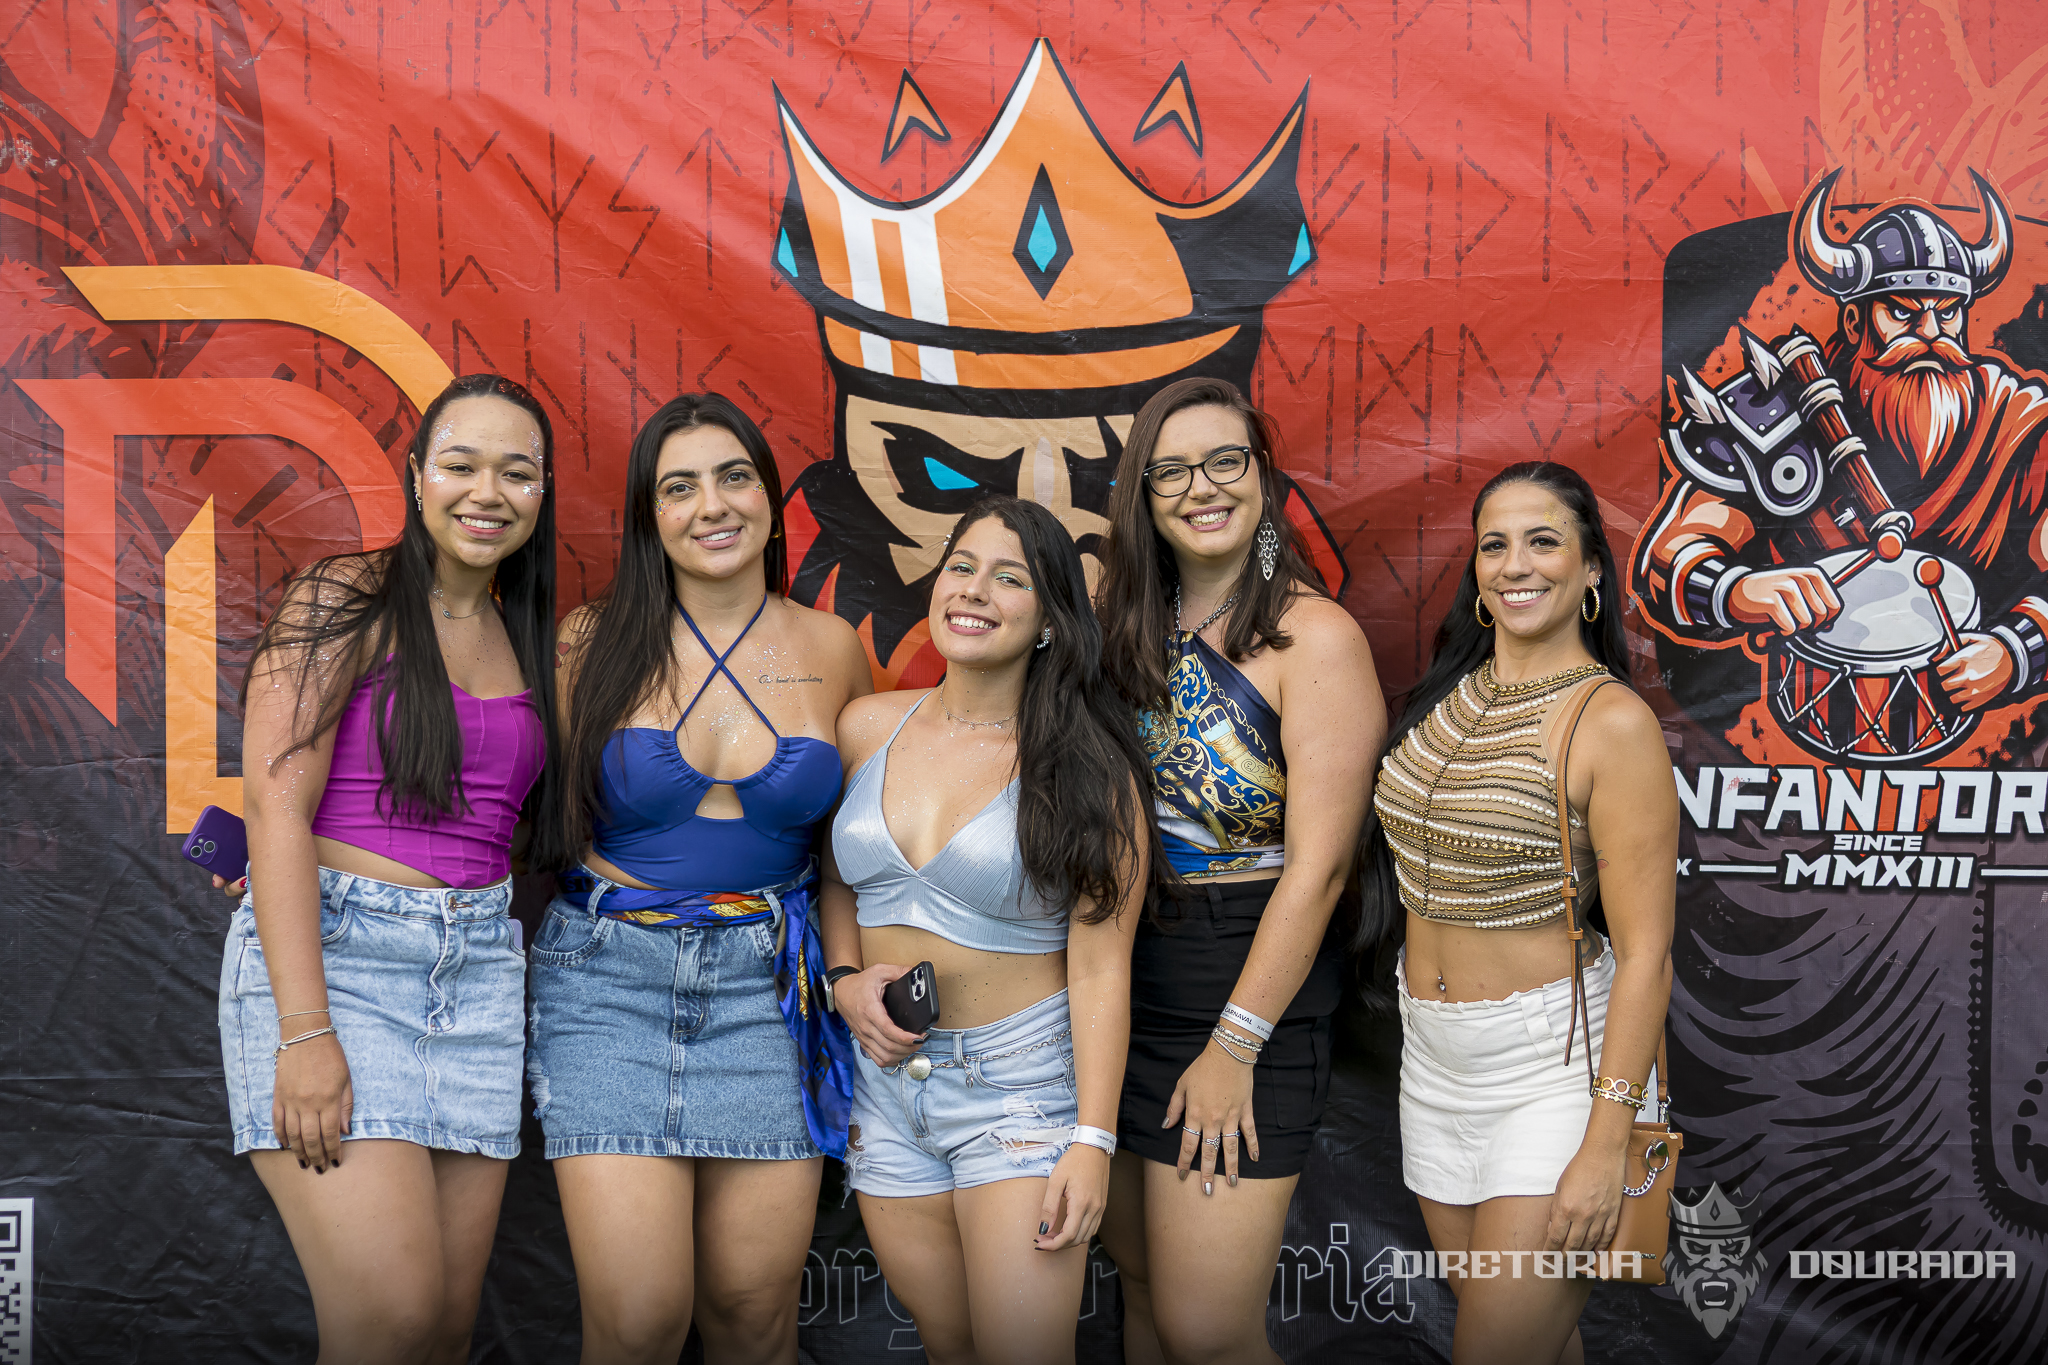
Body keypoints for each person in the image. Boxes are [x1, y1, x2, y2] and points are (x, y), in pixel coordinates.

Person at [215, 373, 560, 1364]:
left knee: (441, 1336)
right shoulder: (347, 595)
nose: (487, 492)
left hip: (479, 976)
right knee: (389, 1324)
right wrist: (304, 1031)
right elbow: (276, 805)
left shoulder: (525, 633)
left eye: (517, 472)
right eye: (460, 465)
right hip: (343, 966)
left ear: (541, 493)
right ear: (415, 477)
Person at [531, 394, 871, 1365]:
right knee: (639, 1321)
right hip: (607, 984)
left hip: (769, 993)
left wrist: (849, 974)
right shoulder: (590, 641)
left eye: (733, 478)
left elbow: (854, 847)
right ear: (649, 516)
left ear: (771, 498)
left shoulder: (832, 647)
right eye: (678, 487)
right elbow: (499, 781)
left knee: (752, 1323)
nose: (711, 505)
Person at [820, 495, 1154, 1365]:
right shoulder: (866, 726)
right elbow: (835, 880)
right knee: (950, 1347)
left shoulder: (1089, 766)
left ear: (1051, 621)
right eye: (961, 566)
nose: (973, 589)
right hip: (885, 1090)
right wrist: (844, 982)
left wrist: (1091, 1140)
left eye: (1010, 578)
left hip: (1019, 1092)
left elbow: (1102, 968)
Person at [1093, 377, 1385, 1365]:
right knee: (1140, 1296)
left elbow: (1320, 872)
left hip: (1245, 982)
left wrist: (1234, 1045)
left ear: (1262, 476)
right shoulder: (1117, 626)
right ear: (1141, 495)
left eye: (1225, 461)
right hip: (1120, 979)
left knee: (1206, 1330)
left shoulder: (1316, 637)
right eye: (1170, 470)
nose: (1201, 487)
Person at [1361, 461, 1677, 1365]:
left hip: (1554, 1072)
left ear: (1591, 568)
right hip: (1435, 1062)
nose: (1515, 564)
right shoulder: (1451, 695)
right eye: (1494, 544)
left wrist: (1605, 1141)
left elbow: (1647, 954)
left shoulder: (1611, 722)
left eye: (1544, 541)